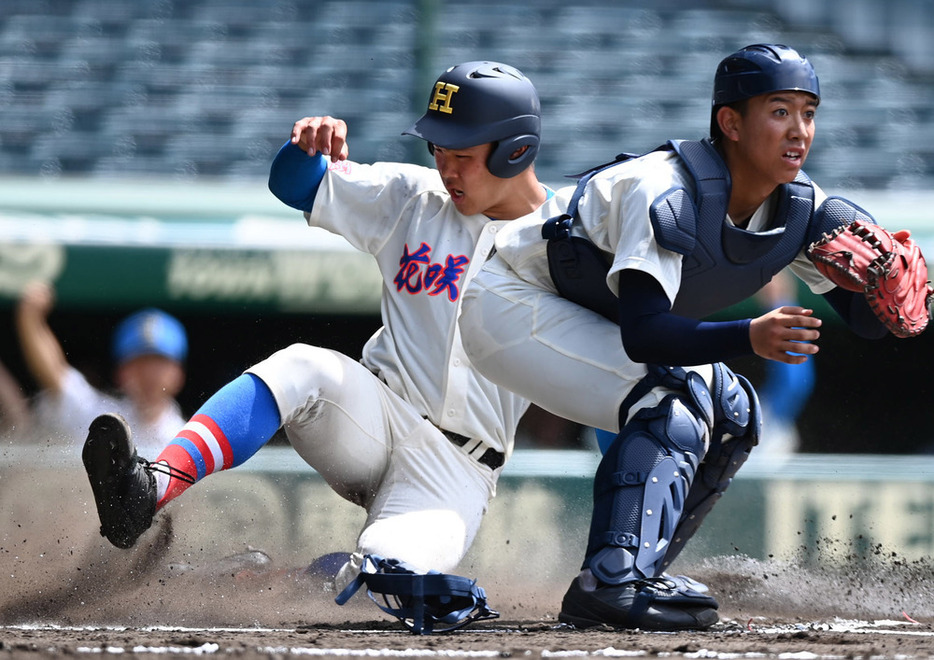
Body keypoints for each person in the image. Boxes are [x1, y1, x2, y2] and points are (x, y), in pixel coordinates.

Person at [79, 61, 572, 633]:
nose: (445, 165)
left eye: (462, 153)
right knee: (302, 366)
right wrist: (305, 149)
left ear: (514, 152)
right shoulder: (415, 198)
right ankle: (148, 488)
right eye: (438, 148)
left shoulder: (566, 240)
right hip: (374, 411)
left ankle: (254, 581)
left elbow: (619, 367)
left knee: (388, 579)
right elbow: (294, 184)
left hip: (457, 469)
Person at [458, 44, 913, 631]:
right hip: (508, 303)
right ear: (730, 121)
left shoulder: (804, 209)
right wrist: (750, 334)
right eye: (780, 111)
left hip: (585, 313)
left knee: (734, 411)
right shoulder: (663, 188)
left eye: (809, 112)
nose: (800, 131)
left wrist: (887, 286)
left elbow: (871, 323)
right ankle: (613, 581)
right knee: (673, 398)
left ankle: (634, 569)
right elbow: (646, 336)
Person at [15, 281, 187, 456]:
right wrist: (30, 319)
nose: (149, 376)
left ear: (178, 374)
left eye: (158, 365)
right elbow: (55, 376)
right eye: (139, 365)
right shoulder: (101, 419)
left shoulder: (187, 439)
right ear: (121, 373)